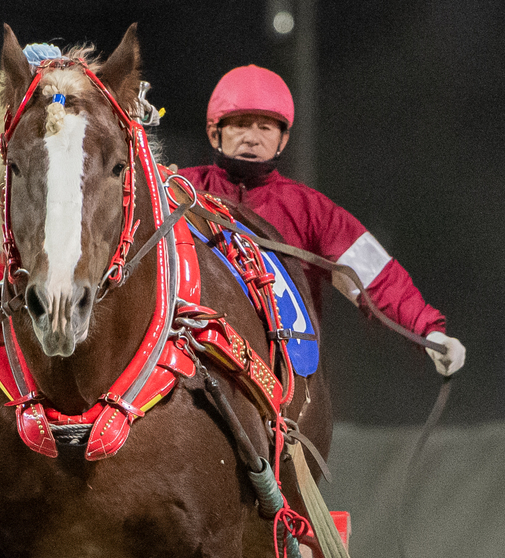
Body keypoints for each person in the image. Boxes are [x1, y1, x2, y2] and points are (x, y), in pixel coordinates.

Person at [177, 64, 465, 377]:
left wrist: (429, 333)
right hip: (193, 361)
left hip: (281, 374)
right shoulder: (177, 190)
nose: (252, 138)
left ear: (283, 140)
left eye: (266, 128)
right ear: (213, 132)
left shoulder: (313, 210)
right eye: (241, 125)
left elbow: (376, 277)